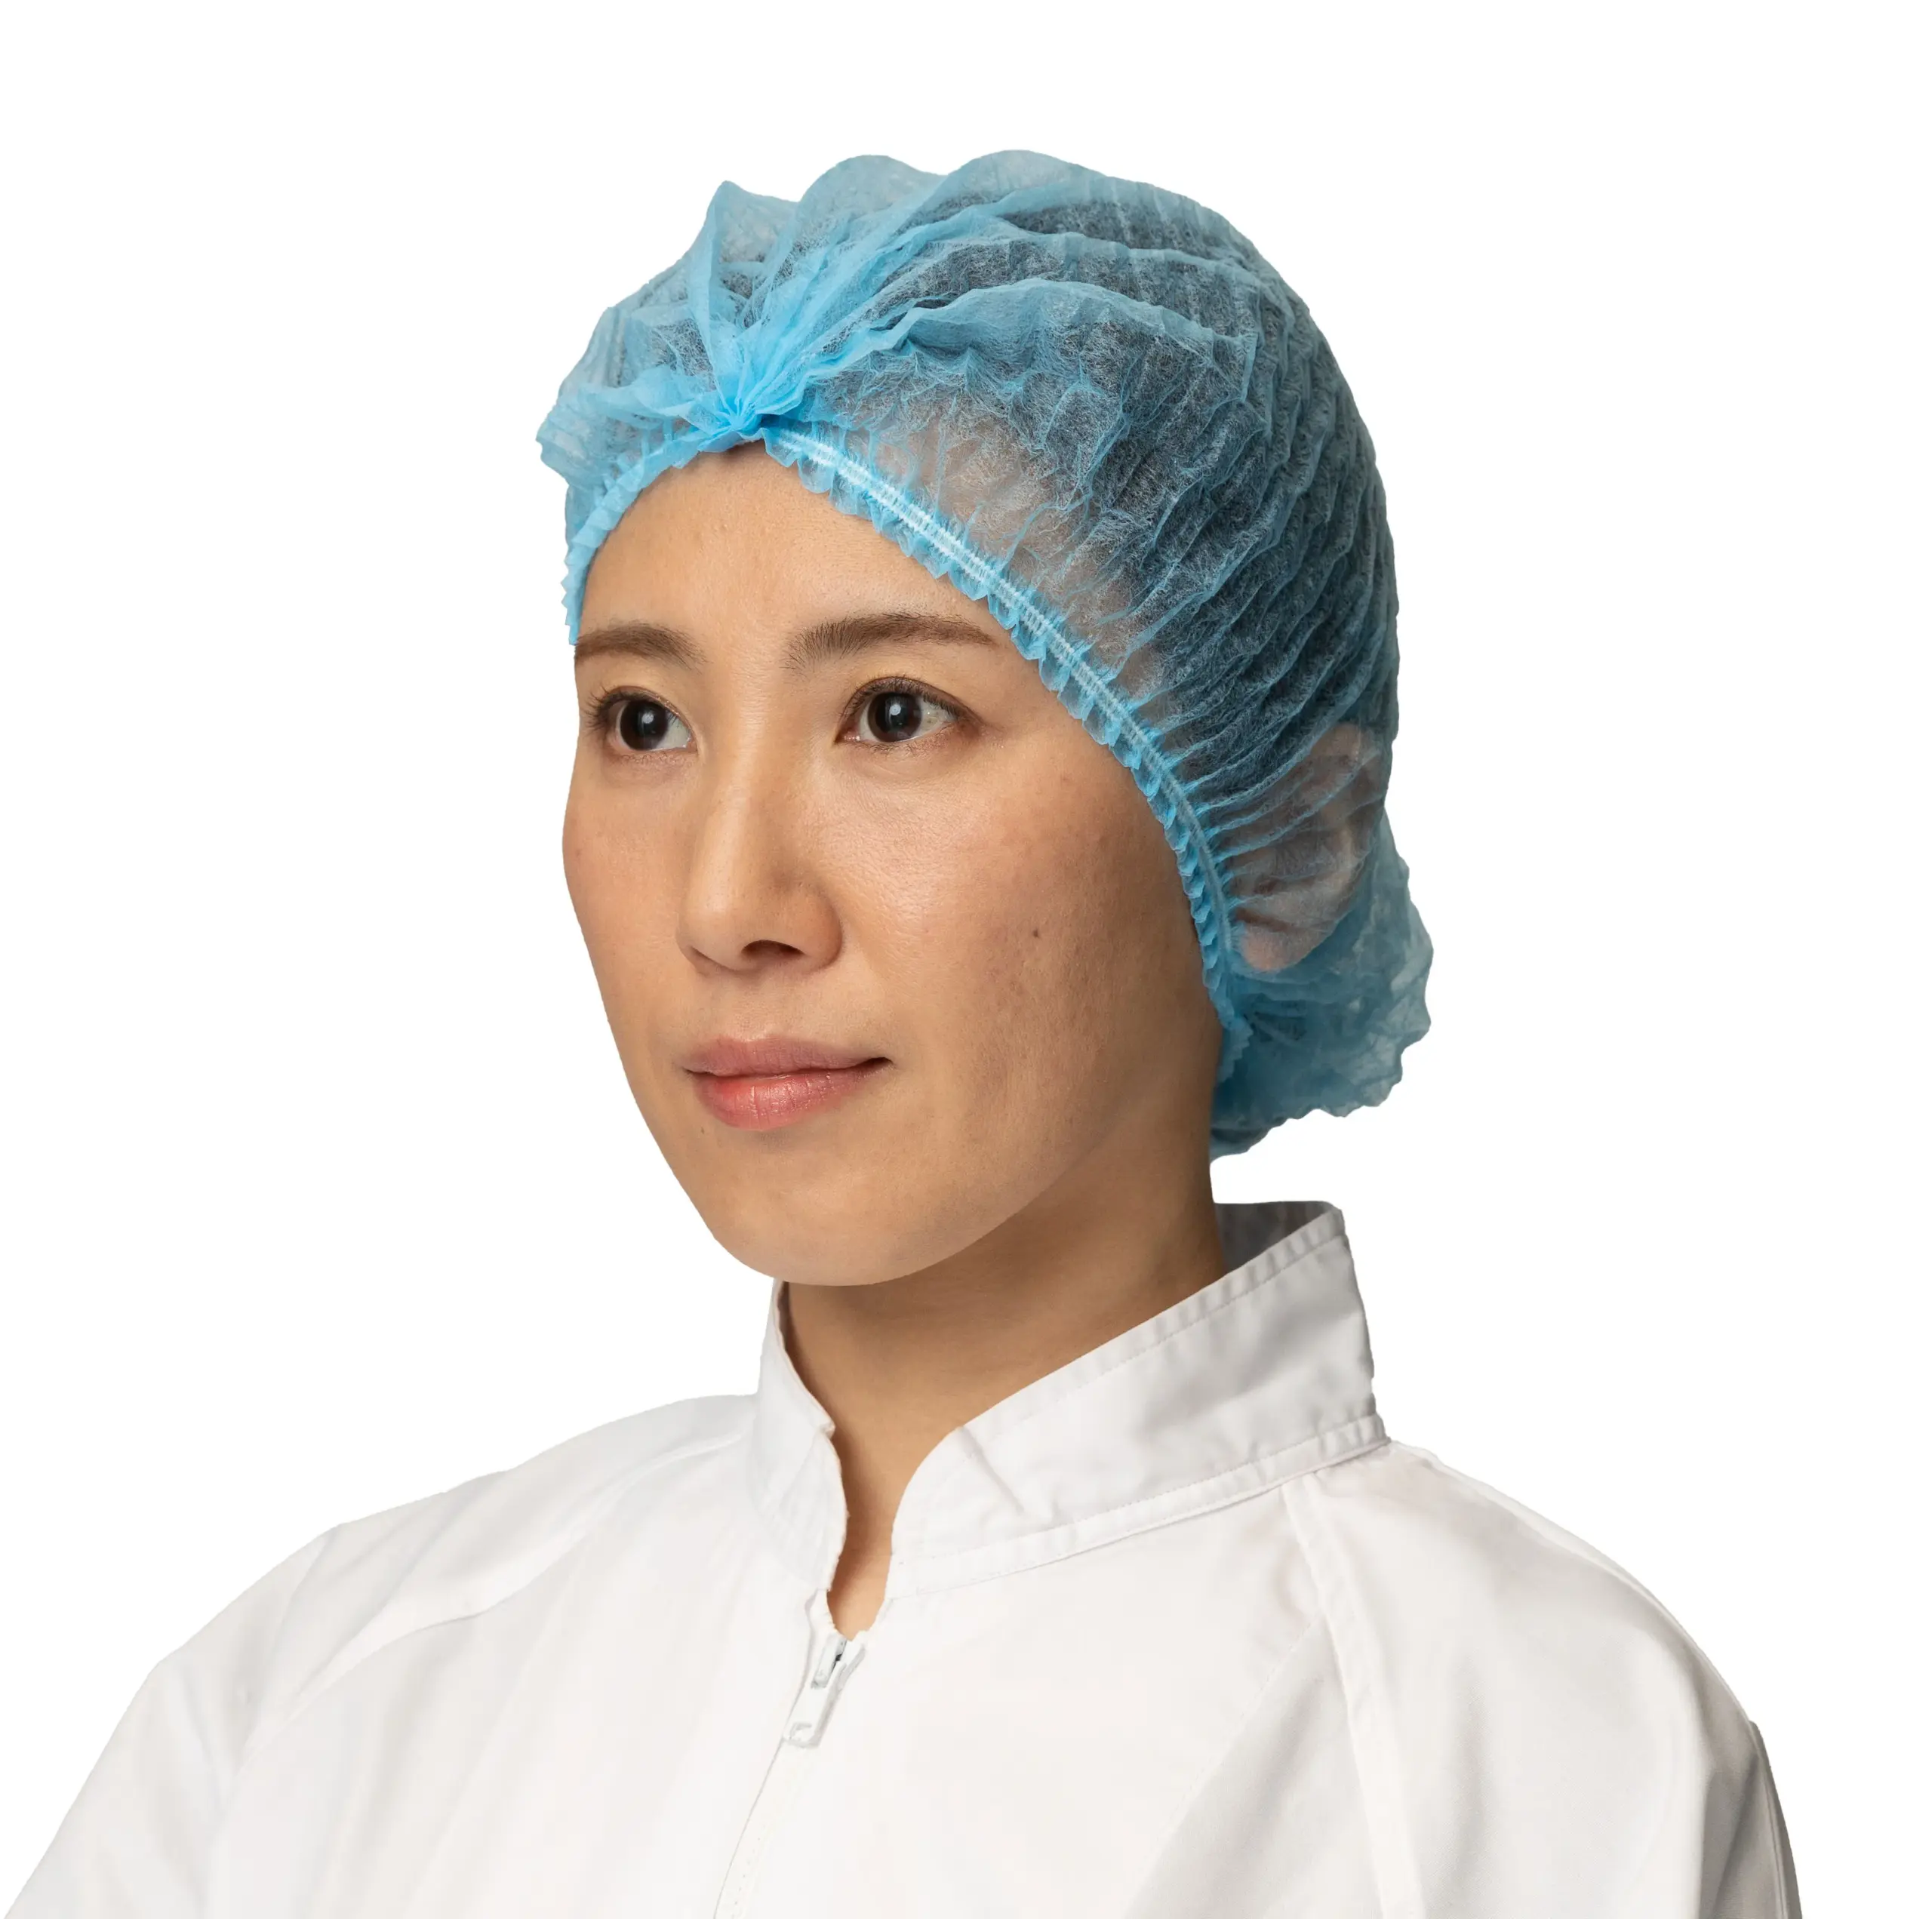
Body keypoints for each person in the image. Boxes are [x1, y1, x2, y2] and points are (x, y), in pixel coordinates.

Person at [11, 152, 1801, 1917]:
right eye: (642, 720)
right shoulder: (315, 1700)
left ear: (1283, 840)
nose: (726, 899)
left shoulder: (1549, 1776)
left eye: (891, 711)